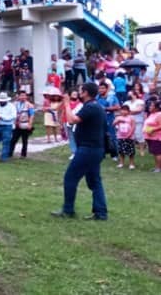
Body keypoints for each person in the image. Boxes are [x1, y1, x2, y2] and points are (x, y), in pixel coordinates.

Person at [52, 82, 108, 220]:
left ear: (86, 93)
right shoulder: (95, 106)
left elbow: (72, 120)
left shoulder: (91, 107)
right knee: (94, 181)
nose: (78, 92)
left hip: (88, 149)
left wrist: (66, 103)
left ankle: (68, 210)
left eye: (81, 90)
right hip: (95, 149)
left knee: (70, 177)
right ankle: (100, 213)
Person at [0, 92, 16, 162]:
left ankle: (4, 158)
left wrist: (2, 117)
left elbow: (13, 116)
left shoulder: (11, 106)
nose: (1, 102)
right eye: (0, 101)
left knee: (6, 142)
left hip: (7, 126)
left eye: (3, 101)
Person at [9, 91, 35, 158]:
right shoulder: (15, 104)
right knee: (13, 139)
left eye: (24, 95)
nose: (23, 97)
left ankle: (23, 154)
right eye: (21, 95)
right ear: (18, 96)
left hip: (25, 124)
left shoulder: (29, 105)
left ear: (26, 96)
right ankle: (9, 153)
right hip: (16, 124)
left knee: (25, 140)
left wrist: (30, 124)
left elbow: (32, 115)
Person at [113, 105, 136, 169]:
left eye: (125, 110)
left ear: (128, 111)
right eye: (122, 110)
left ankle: (131, 164)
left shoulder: (131, 117)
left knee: (130, 151)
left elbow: (133, 127)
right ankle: (121, 163)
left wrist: (130, 134)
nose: (123, 111)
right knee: (121, 150)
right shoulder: (118, 117)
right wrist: (117, 121)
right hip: (120, 136)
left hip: (129, 137)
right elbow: (113, 124)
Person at [126, 90, 147, 156]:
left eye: (130, 94)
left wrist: (128, 111)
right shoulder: (126, 102)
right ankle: (130, 151)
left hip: (138, 121)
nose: (128, 95)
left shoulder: (140, 101)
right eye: (128, 94)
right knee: (130, 136)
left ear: (134, 95)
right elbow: (123, 110)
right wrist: (131, 111)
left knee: (139, 135)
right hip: (129, 122)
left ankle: (142, 150)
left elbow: (138, 110)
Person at [142, 99, 161, 172]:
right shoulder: (151, 114)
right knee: (154, 153)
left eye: (152, 106)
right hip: (150, 137)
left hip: (157, 137)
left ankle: (159, 168)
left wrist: (153, 129)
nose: (149, 107)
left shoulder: (159, 114)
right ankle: (157, 167)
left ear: (156, 107)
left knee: (158, 153)